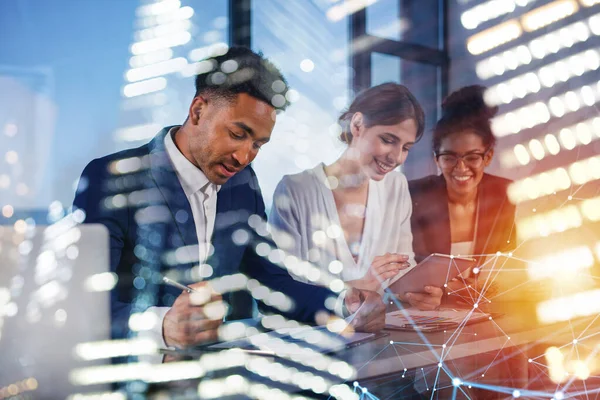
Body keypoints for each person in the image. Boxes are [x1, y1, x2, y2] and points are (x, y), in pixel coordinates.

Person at [73, 47, 385, 352]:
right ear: (198, 111)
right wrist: (163, 326)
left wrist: (343, 302)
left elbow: (270, 279)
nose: (244, 157)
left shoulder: (242, 184)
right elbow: (85, 305)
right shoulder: (115, 177)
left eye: (258, 145)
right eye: (237, 134)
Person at [270, 83, 443, 310]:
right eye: (388, 140)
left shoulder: (396, 186)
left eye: (406, 147)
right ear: (358, 125)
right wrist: (353, 290)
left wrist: (414, 294)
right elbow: (281, 292)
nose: (396, 158)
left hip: (380, 338)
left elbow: (402, 269)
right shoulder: (295, 190)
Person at [409, 85, 517, 300]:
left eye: (472, 157)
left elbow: (508, 264)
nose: (461, 168)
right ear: (436, 158)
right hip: (426, 309)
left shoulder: (502, 194)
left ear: (487, 157)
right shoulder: (414, 196)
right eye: (449, 157)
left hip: (482, 308)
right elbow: (408, 269)